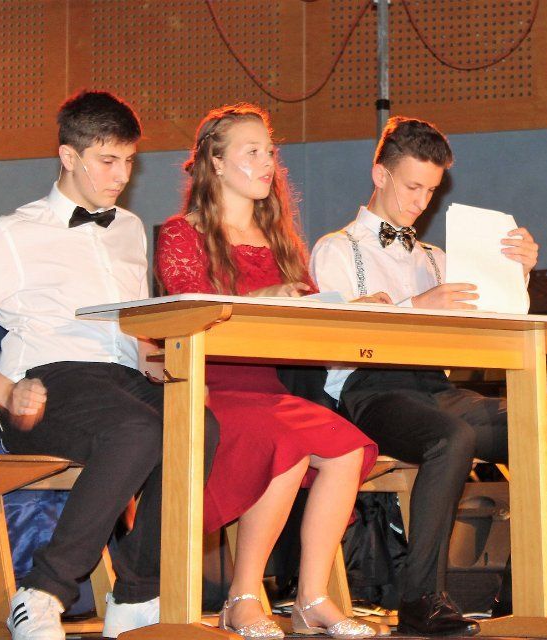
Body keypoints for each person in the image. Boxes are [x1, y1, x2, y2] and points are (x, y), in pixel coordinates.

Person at [0, 90, 211, 640]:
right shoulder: (15, 232)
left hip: (119, 380)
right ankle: (42, 592)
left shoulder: (129, 229)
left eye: (129, 161)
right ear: (68, 156)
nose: (121, 175)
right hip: (49, 383)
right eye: (108, 160)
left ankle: (136, 595)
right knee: (137, 430)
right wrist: (6, 392)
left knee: (200, 426)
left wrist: (165, 368)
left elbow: (128, 332)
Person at [309, 116, 547, 636]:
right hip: (370, 390)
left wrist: (517, 272)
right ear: (380, 175)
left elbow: (498, 322)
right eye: (412, 187)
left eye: (431, 191)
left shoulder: (438, 259)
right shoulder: (336, 249)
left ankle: (519, 595)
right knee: (451, 437)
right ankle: (420, 599)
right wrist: (415, 306)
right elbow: (336, 342)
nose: (421, 202)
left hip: (437, 390)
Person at [155, 103, 379, 640]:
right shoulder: (181, 234)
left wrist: (352, 309)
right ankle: (242, 597)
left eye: (270, 152)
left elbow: (303, 318)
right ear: (214, 162)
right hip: (206, 389)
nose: (267, 162)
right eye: (252, 151)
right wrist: (262, 298)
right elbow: (189, 312)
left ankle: (311, 598)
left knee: (348, 449)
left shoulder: (278, 238)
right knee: (285, 441)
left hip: (267, 390)